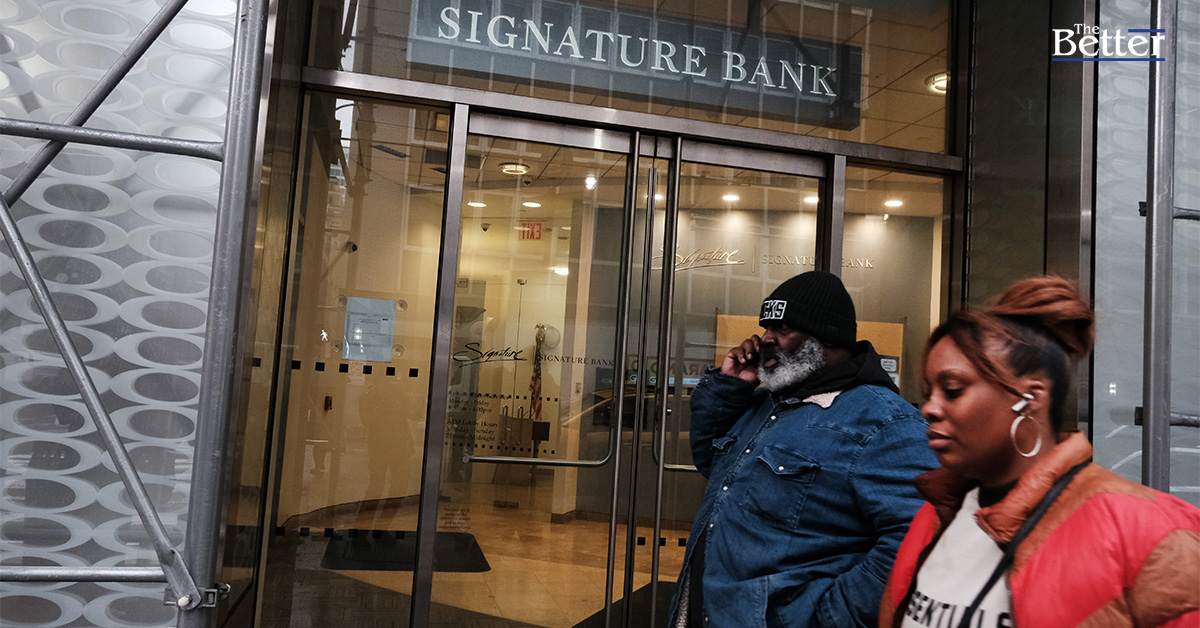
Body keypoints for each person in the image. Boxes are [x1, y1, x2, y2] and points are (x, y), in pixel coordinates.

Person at [880, 276, 1200, 628]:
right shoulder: (933, 517)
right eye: (930, 392)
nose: (929, 408)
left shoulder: (1152, 532)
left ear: (1029, 398)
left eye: (953, 390)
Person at [670, 271, 939, 628]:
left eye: (782, 329)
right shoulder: (770, 403)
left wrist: (826, 616)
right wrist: (730, 387)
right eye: (766, 327)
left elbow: (919, 540)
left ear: (825, 335)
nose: (766, 339)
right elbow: (714, 466)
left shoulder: (885, 423)